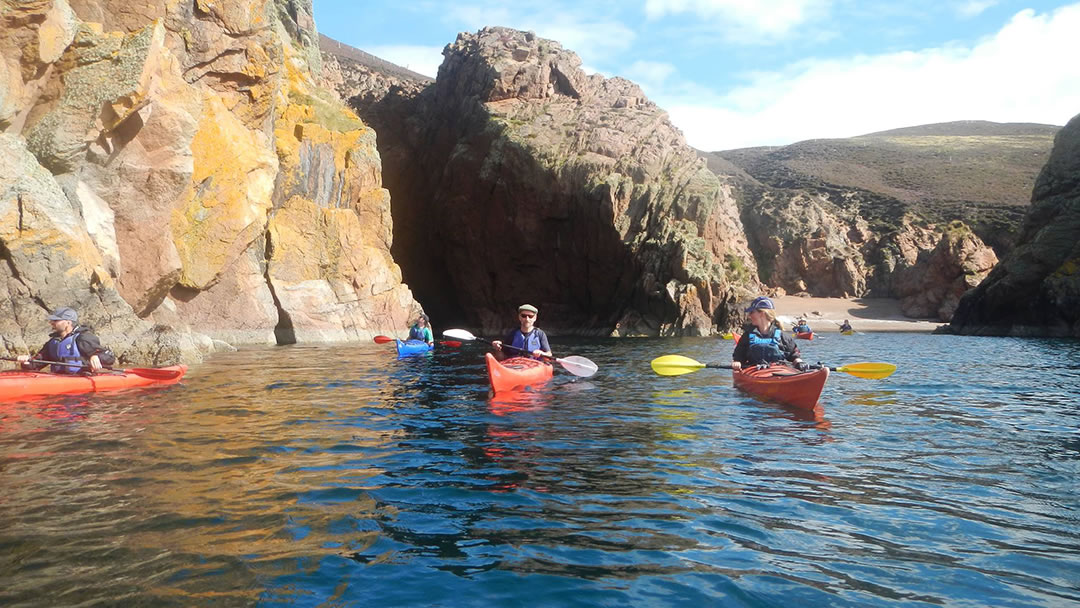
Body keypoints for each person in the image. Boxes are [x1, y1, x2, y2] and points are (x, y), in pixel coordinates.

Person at [17, 307, 116, 374]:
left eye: (56, 320)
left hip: (81, 378)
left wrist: (96, 356)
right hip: (58, 379)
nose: (51, 323)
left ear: (68, 323)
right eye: (52, 320)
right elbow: (36, 364)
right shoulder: (53, 343)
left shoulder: (83, 338)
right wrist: (26, 362)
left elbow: (109, 356)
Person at [732, 296, 807, 371]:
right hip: (754, 371)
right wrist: (737, 362)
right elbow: (739, 356)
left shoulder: (783, 336)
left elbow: (794, 355)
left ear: (762, 314)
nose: (749, 315)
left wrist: (799, 362)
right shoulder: (747, 336)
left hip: (778, 372)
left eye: (752, 312)